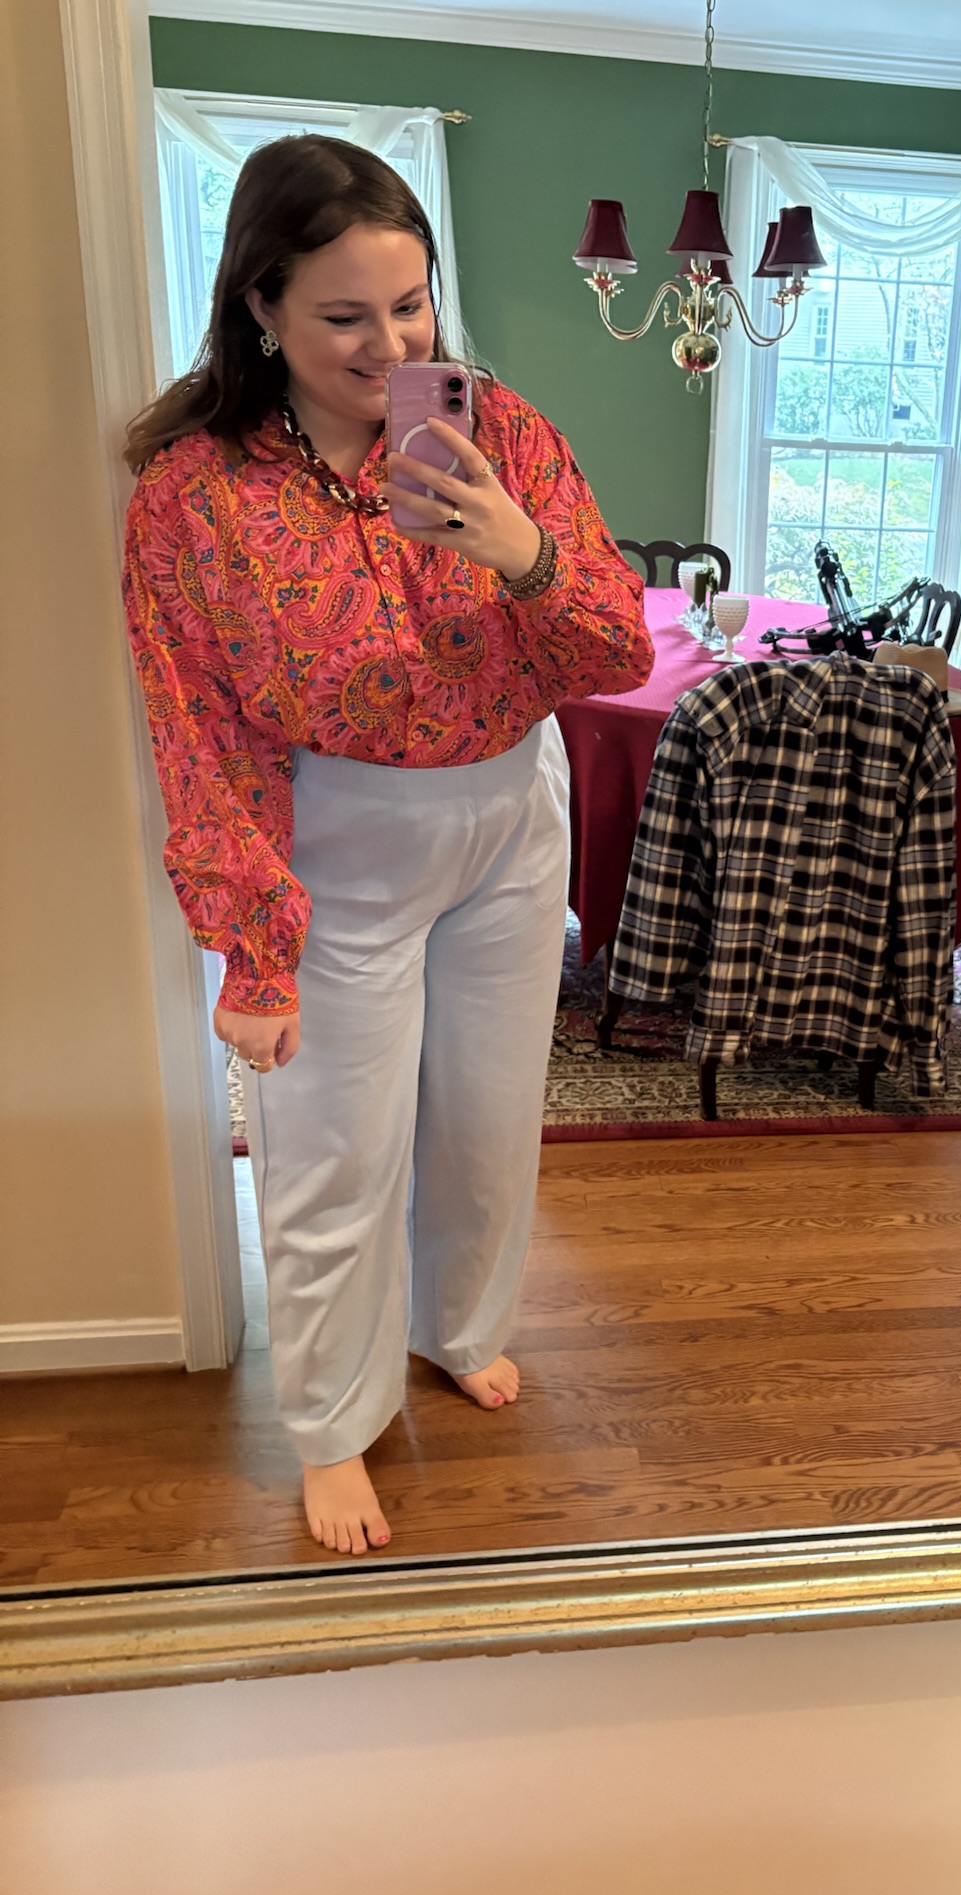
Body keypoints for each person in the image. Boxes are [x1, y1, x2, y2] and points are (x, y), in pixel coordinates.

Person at [121, 135, 653, 1556]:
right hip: (339, 835)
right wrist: (251, 947)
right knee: (332, 1153)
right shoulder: (195, 495)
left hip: (512, 812)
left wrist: (519, 552)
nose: (392, 345)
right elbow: (195, 725)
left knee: (487, 1119)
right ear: (261, 307)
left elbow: (615, 650)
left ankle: (458, 1328)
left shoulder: (500, 433)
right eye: (345, 316)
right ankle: (331, 1424)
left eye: (410, 305)